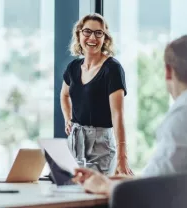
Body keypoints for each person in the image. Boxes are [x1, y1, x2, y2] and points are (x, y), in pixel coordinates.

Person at [73, 34, 187, 196]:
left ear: (168, 72)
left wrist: (103, 186)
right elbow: (160, 178)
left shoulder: (185, 116)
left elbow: (151, 190)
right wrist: (108, 180)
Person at [60, 13, 132, 175]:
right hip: (75, 140)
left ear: (105, 38)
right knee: (73, 193)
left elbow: (118, 115)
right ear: (79, 35)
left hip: (101, 144)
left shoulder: (112, 69)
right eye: (87, 31)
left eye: (98, 33)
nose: (92, 37)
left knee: (98, 196)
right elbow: (64, 95)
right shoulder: (73, 67)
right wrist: (67, 118)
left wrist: (122, 158)